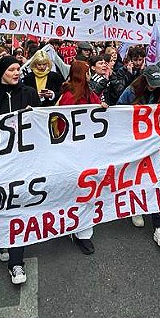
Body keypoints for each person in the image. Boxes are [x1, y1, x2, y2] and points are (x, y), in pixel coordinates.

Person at [0, 57, 40, 284]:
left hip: (22, 160)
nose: (16, 73)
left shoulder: (29, 93)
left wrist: (35, 115)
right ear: (1, 72)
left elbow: (41, 122)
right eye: (11, 69)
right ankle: (2, 239)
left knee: (18, 205)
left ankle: (16, 263)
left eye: (18, 69)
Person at [119, 66, 160, 247]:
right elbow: (119, 112)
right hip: (135, 143)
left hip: (154, 143)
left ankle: (159, 228)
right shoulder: (130, 92)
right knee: (136, 177)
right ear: (144, 80)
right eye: (151, 84)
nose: (154, 88)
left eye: (157, 84)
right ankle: (135, 208)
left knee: (157, 179)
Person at [57, 61, 106, 255]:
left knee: (88, 191)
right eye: (87, 72)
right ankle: (72, 226)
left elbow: (96, 109)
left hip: (90, 152)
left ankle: (83, 232)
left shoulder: (89, 93)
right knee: (74, 191)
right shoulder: (68, 97)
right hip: (73, 153)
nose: (89, 75)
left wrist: (102, 107)